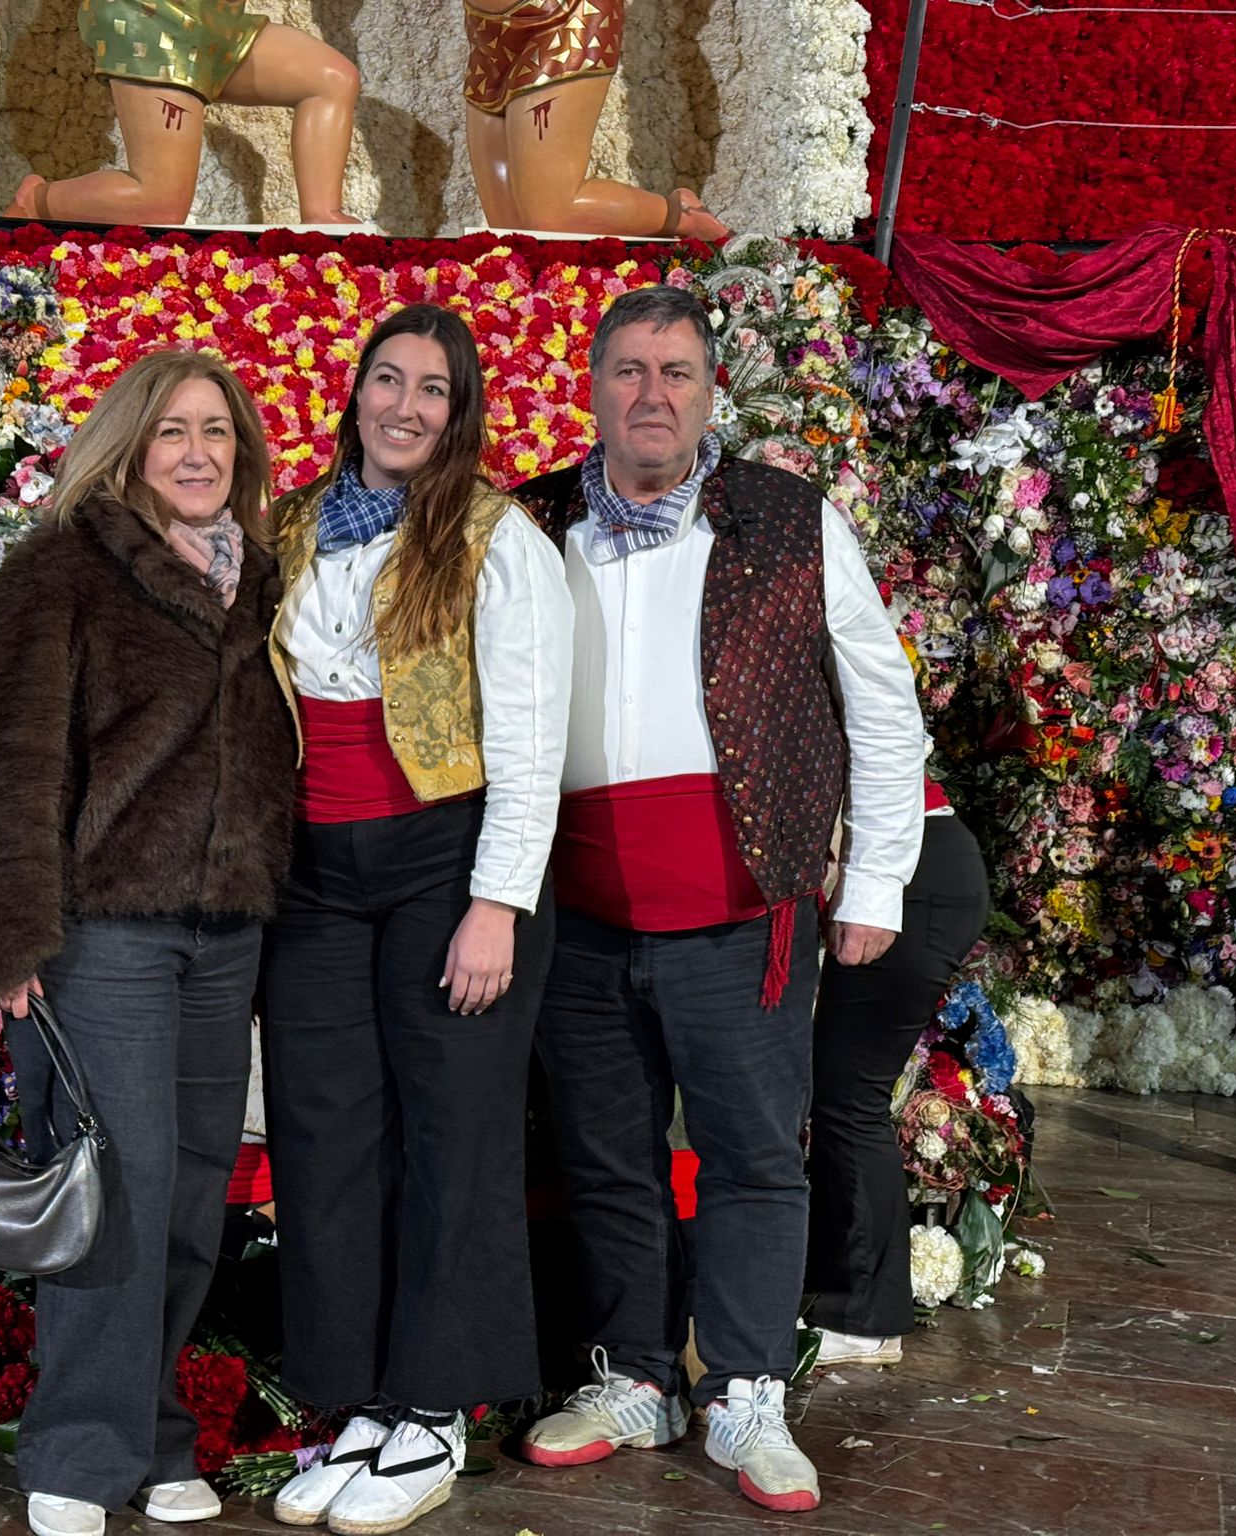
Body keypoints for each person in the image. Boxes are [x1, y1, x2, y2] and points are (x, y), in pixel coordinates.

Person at [509, 285, 924, 1514]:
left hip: (745, 907)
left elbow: (880, 705)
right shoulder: (527, 521)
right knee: (605, 1156)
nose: (652, 394)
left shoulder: (789, 518)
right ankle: (635, 1375)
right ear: (592, 387)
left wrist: (876, 878)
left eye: (676, 372)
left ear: (709, 392)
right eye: (629, 370)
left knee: (749, 1155)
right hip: (578, 912)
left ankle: (744, 1387)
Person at [0, 351, 297, 1536]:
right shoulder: (60, 574)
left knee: (192, 1198)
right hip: (105, 938)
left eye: (217, 431)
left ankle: (148, 1435)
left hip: (224, 936)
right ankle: (77, 1455)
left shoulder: (259, 581)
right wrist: (2, 943)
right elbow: (1, 768)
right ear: (129, 448)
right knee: (117, 1190)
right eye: (172, 431)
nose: (197, 453)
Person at [258, 304, 572, 1535]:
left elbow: (531, 739)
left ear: (459, 411)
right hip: (315, 874)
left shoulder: (497, 538)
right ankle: (357, 1400)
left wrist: (496, 905)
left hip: (447, 857)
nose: (403, 406)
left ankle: (436, 1407)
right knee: (324, 1131)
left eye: (430, 389)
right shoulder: (291, 525)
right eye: (385, 379)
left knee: (454, 1129)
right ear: (355, 394)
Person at [802, 768, 990, 1367]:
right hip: (910, 871)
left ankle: (865, 1320)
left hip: (908, 877)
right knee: (839, 1097)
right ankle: (839, 1293)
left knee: (849, 1099)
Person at [6, 0, 362, 227]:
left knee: (331, 79)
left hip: (216, 19)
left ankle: (323, 216)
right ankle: (35, 203)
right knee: (157, 202)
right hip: (153, 17)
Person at [462, 0, 726, 241]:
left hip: (567, 17)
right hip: (485, 31)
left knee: (552, 215)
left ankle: (681, 214)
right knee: (511, 233)